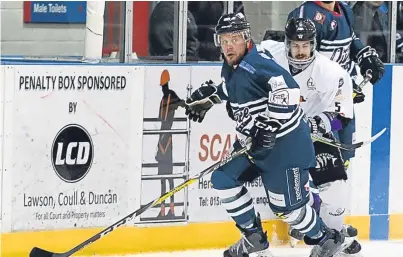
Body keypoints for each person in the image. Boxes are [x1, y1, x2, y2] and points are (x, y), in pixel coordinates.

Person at [184, 12, 346, 257]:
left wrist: (268, 126)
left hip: (287, 148)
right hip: (255, 146)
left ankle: (325, 237)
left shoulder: (255, 62)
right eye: (224, 40)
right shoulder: (233, 65)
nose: (229, 45)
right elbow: (236, 88)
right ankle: (254, 237)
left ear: (246, 38)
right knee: (223, 179)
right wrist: (213, 97)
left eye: (235, 39)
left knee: (288, 210)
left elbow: (289, 90)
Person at [261, 18, 358, 256]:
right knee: (266, 190)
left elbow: (342, 116)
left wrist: (320, 123)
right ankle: (256, 245)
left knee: (336, 191)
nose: (300, 51)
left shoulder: (333, 73)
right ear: (287, 44)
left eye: (305, 45)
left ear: (314, 45)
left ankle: (330, 243)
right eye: (295, 45)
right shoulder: (269, 56)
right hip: (277, 136)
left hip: (314, 137)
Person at [155, 70, 185, 219]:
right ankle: (162, 210)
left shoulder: (171, 95)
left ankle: (171, 210)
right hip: (161, 136)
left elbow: (182, 104)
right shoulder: (163, 98)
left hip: (167, 138)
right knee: (162, 176)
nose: (163, 87)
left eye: (164, 85)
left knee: (169, 176)